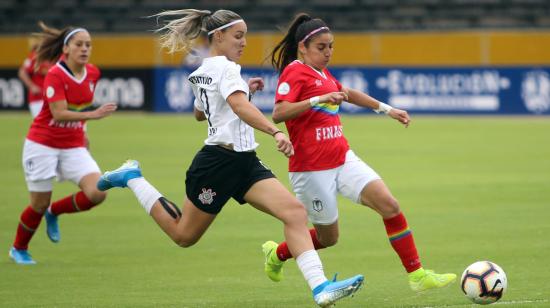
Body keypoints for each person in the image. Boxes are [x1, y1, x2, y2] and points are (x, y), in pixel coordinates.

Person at [97, 9, 363, 307]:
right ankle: (133, 178)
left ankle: (320, 287)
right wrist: (274, 132)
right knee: (184, 235)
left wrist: (243, 91)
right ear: (218, 36)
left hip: (245, 162)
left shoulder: (202, 70)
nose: (244, 42)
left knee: (294, 213)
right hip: (217, 164)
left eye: (245, 36)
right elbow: (237, 107)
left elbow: (201, 112)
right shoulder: (226, 69)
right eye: (238, 36)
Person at [261, 13, 457, 292]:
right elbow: (279, 112)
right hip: (311, 170)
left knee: (389, 205)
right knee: (329, 238)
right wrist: (318, 99)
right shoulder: (295, 71)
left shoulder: (321, 72)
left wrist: (388, 110)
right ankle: (278, 253)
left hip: (342, 159)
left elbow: (347, 93)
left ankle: (417, 275)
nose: (328, 52)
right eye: (321, 47)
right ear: (303, 48)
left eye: (331, 46)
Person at [9, 23, 117, 265]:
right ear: (66, 48)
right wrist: (93, 116)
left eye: (88, 44)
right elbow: (59, 113)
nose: (84, 48)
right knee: (37, 204)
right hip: (43, 144)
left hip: (73, 144)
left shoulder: (93, 73)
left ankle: (54, 212)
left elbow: (80, 106)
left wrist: (84, 131)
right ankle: (19, 248)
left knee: (98, 192)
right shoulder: (55, 74)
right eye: (79, 44)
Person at [18, 33, 53, 118]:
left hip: (52, 99)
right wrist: (32, 86)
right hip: (38, 98)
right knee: (43, 127)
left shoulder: (53, 56)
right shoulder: (35, 56)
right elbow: (22, 72)